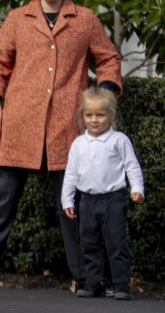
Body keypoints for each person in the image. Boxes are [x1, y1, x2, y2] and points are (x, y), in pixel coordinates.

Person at [0, 0, 122, 291]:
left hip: (68, 126)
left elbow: (108, 59)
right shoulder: (18, 19)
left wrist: (104, 95)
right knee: (2, 199)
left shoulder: (86, 20)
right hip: (20, 122)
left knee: (73, 205)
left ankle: (87, 276)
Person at [61, 87, 144, 301]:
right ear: (82, 116)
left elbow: (131, 166)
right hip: (86, 202)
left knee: (116, 244)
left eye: (100, 114)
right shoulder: (79, 144)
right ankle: (94, 283)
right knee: (89, 244)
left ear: (111, 116)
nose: (95, 120)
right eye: (89, 115)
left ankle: (121, 285)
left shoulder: (119, 140)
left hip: (113, 201)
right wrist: (67, 199)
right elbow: (71, 173)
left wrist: (136, 188)